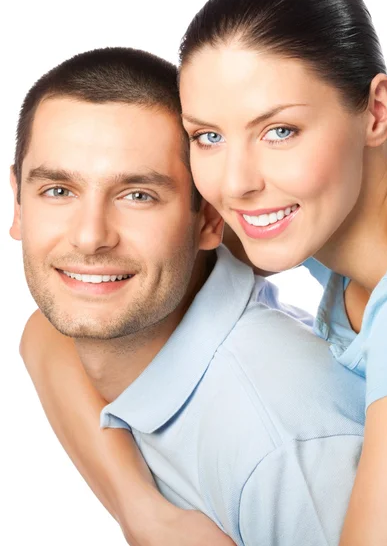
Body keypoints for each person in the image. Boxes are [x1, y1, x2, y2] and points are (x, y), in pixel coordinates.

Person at [12, 46, 365, 546]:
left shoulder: (283, 450)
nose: (89, 238)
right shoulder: (105, 328)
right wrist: (142, 511)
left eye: (138, 195)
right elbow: (44, 334)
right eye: (58, 191)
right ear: (18, 204)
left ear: (209, 219)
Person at [178, 0, 387, 546]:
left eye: (279, 131)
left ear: (376, 112)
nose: (235, 184)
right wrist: (146, 515)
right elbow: (66, 318)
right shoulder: (308, 215)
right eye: (208, 136)